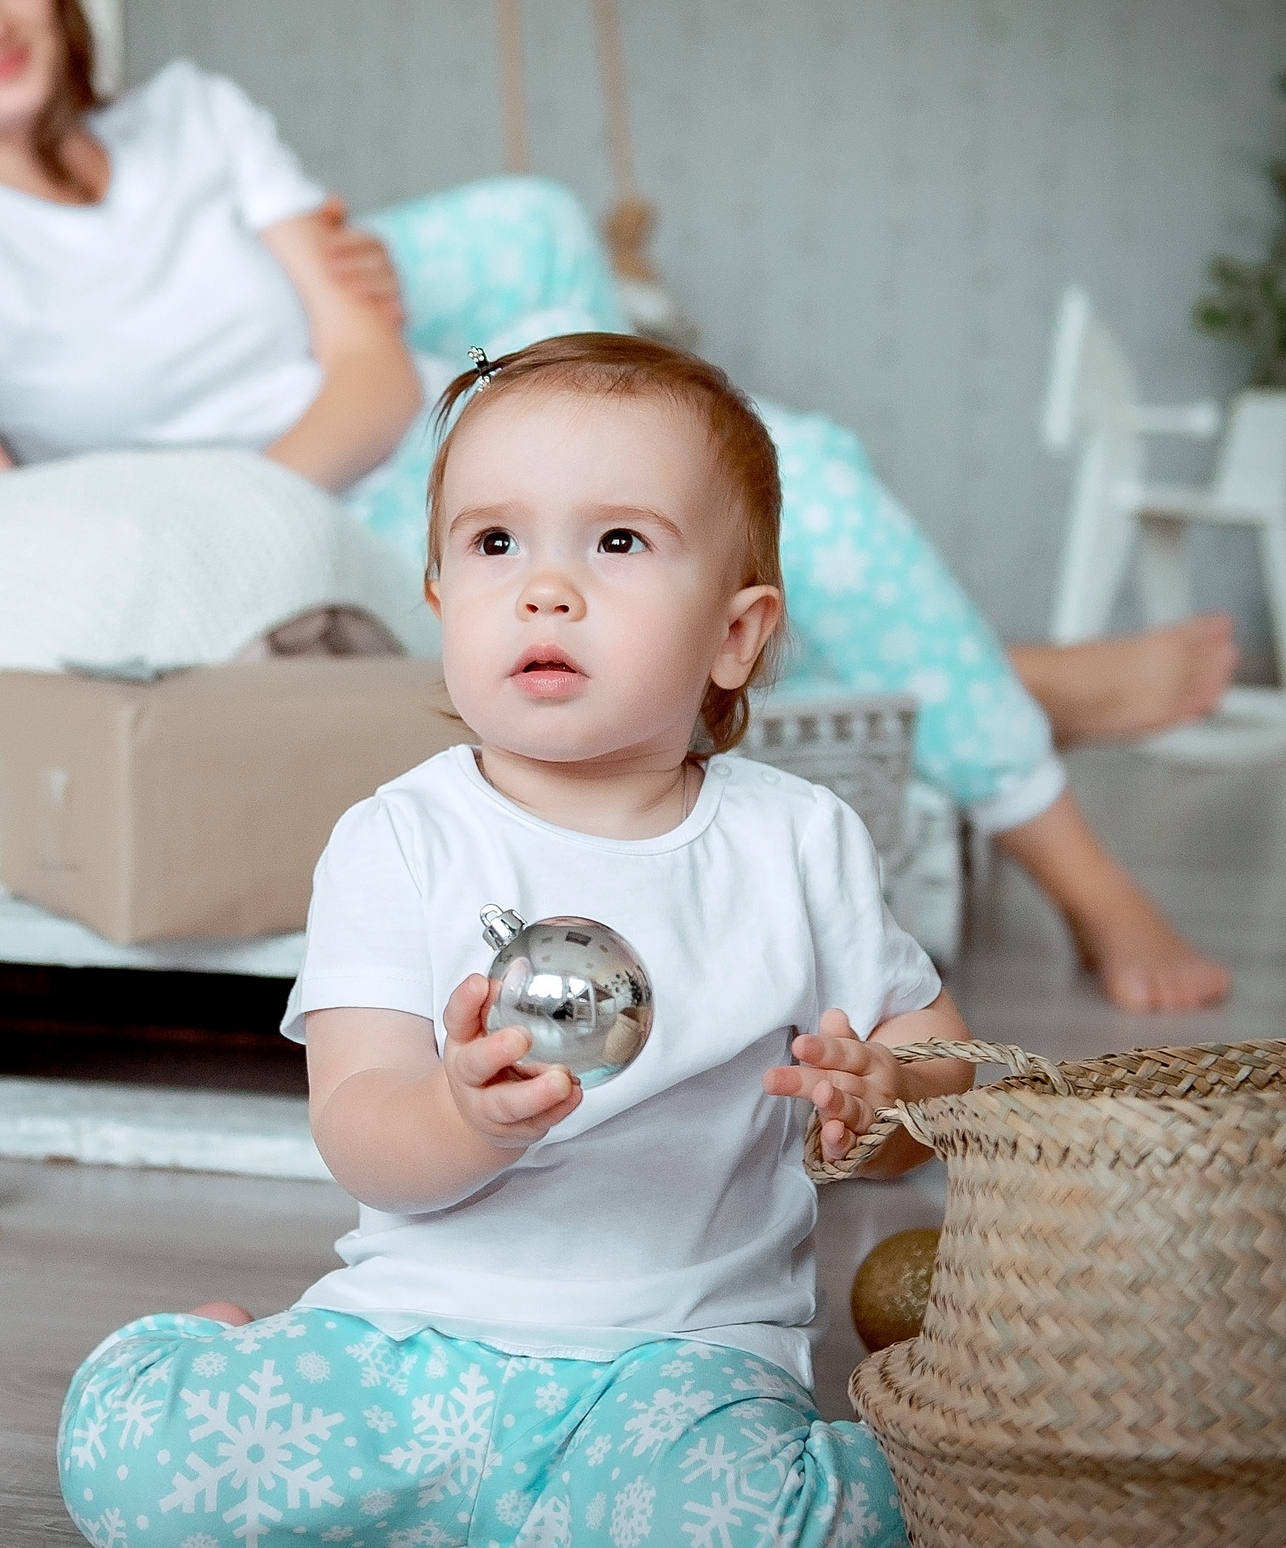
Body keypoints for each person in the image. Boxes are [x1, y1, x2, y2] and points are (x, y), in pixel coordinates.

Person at [0, 0, 1231, 1013]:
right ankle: (1022, 685)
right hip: (328, 532)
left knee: (810, 480)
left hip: (419, 422)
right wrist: (195, 508)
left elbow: (375, 371)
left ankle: (1089, 884)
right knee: (651, 542)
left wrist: (289, 461)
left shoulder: (195, 117)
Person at [58, 335, 960, 1546]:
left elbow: (943, 1060)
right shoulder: (397, 843)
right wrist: (459, 1115)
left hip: (674, 1365)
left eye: (618, 542)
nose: (546, 589)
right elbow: (360, 1133)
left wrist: (887, 1097)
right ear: (439, 598)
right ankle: (212, 1357)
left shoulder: (795, 844)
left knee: (765, 1527)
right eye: (495, 544)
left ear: (733, 637)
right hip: (411, 1343)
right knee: (140, 1475)